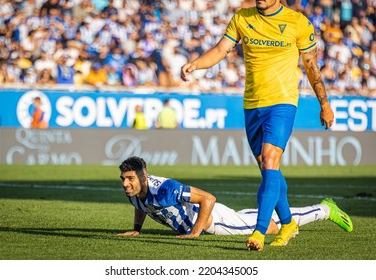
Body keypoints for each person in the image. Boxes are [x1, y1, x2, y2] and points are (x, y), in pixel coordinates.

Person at [180, 0, 334, 251]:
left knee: (271, 159)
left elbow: (311, 66)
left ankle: (259, 231)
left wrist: (324, 104)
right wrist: (196, 64)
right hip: (252, 104)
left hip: (282, 103)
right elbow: (220, 50)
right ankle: (288, 223)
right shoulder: (243, 18)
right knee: (267, 168)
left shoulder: (298, 23)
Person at [117, 156, 353, 239]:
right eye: (123, 179)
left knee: (272, 225)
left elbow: (208, 198)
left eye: (130, 178)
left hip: (215, 222)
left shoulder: (166, 189)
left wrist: (195, 232)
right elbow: (142, 205)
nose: (126, 184)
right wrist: (137, 228)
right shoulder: (135, 191)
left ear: (143, 176)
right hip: (210, 220)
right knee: (264, 218)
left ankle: (324, 210)